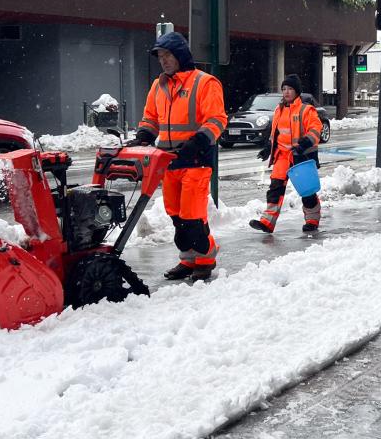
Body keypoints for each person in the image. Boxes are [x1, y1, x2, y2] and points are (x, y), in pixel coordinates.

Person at [132, 32, 227, 282]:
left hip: (196, 160)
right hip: (168, 161)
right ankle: (187, 260)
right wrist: (144, 134)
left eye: (167, 55)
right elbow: (151, 118)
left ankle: (206, 259)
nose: (163, 61)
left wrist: (198, 141)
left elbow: (217, 119)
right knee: (175, 215)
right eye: (160, 57)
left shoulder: (205, 83)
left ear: (180, 55)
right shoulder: (159, 86)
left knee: (192, 216)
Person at [249, 74, 324, 234]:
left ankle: (312, 219)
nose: (286, 92)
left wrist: (304, 143)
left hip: (301, 156)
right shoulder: (279, 109)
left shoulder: (306, 110)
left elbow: (316, 129)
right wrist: (268, 148)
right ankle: (267, 222)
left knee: (307, 191)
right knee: (275, 188)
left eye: (290, 89)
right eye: (284, 89)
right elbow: (275, 133)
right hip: (282, 155)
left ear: (297, 91)